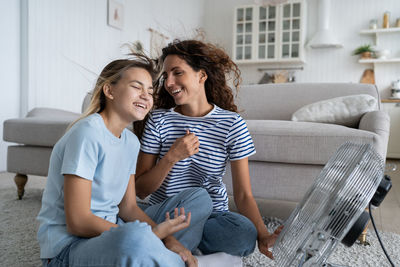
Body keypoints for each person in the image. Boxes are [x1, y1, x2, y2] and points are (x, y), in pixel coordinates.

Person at [36, 54, 209, 267]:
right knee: (135, 239)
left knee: (199, 199)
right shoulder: (87, 133)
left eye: (150, 91)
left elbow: (128, 208)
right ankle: (174, 259)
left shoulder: (130, 141)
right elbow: (78, 222)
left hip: (112, 232)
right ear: (109, 91)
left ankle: (165, 254)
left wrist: (168, 239)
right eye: (137, 87)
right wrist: (151, 235)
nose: (146, 96)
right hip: (69, 248)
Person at [135, 40, 282, 259]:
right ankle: (179, 249)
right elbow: (141, 190)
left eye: (178, 73)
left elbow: (242, 194)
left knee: (243, 234)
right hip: (167, 213)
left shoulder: (231, 124)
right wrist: (171, 157)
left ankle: (175, 244)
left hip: (212, 216)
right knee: (197, 198)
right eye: (166, 76)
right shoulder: (159, 120)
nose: (169, 82)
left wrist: (263, 235)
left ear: (201, 76)